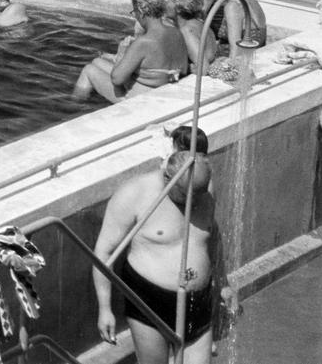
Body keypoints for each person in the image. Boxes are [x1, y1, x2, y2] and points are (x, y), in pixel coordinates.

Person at [93, 151, 232, 364]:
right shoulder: (135, 194)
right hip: (150, 301)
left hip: (198, 301)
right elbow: (104, 253)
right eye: (187, 195)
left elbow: (212, 236)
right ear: (168, 178)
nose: (194, 202)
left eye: (199, 194)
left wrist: (222, 282)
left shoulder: (204, 190)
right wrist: (105, 309)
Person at [73, 0, 189, 102]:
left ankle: (75, 104)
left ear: (141, 12)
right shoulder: (176, 32)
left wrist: (122, 52)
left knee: (89, 70)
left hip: (140, 98)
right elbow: (183, 69)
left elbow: (116, 79)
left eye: (135, 13)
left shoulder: (144, 42)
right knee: (97, 62)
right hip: (165, 87)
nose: (135, 17)